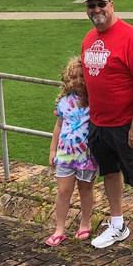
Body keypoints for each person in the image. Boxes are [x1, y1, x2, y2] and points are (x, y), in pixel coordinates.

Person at [80, 0, 133, 261]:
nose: (96, 10)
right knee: (110, 173)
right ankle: (118, 225)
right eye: (91, 5)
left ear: (111, 5)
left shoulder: (132, 37)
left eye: (101, 4)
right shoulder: (89, 38)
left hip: (126, 124)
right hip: (98, 122)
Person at [46, 57, 98, 246]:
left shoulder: (95, 102)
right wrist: (53, 150)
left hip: (87, 155)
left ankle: (85, 222)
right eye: (73, 77)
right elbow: (58, 126)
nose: (77, 81)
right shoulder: (64, 102)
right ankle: (59, 228)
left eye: (81, 76)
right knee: (62, 191)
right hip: (66, 155)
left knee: (85, 190)